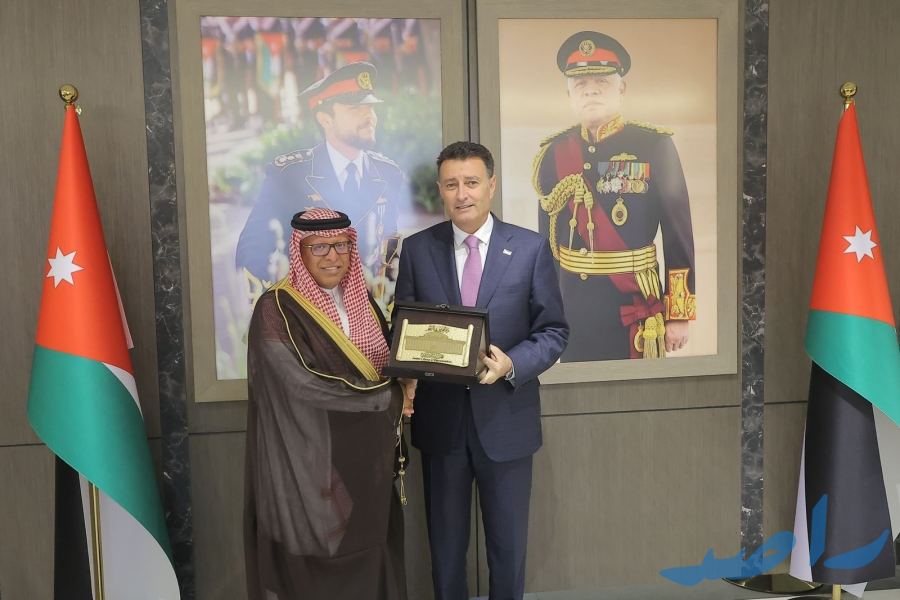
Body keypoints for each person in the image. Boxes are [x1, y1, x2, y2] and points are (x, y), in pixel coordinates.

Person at [394, 142, 568, 600]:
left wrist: (513, 364)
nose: (462, 194)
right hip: (441, 426)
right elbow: (403, 327)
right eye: (451, 184)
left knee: (508, 550)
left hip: (506, 423)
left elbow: (554, 332)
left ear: (491, 185)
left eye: (471, 182)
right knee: (445, 549)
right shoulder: (418, 250)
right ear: (440, 190)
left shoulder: (530, 248)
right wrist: (406, 374)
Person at [243, 208, 412, 600]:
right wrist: (389, 395)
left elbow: (385, 362)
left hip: (366, 462)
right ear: (299, 251)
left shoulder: (363, 303)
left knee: (371, 555)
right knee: (319, 571)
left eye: (340, 245)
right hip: (310, 467)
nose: (332, 256)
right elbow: (303, 385)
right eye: (319, 247)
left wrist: (410, 378)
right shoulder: (275, 310)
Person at [533, 30, 696, 362]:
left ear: (621, 89)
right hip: (574, 310)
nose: (590, 89)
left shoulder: (653, 145)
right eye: (580, 83)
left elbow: (678, 235)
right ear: (569, 94)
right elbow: (547, 245)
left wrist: (678, 313)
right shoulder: (553, 153)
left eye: (601, 81)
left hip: (634, 303)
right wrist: (546, 312)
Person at [235, 61, 407, 312]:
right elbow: (254, 249)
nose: (369, 116)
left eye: (370, 107)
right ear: (325, 119)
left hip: (369, 315)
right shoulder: (290, 175)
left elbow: (388, 251)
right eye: (355, 108)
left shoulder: (388, 174)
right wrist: (272, 315)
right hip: (307, 315)